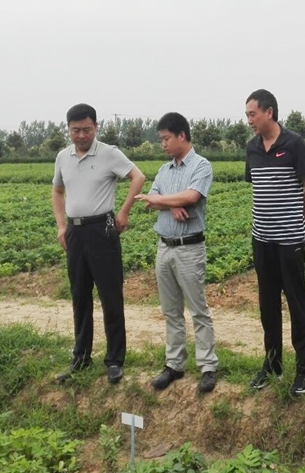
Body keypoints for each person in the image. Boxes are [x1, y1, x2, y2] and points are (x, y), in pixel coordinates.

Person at [52, 103, 146, 384]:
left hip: (102, 229)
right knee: (80, 296)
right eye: (75, 130)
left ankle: (114, 360)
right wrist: (61, 225)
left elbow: (138, 177)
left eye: (86, 130)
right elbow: (57, 191)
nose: (81, 135)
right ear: (68, 129)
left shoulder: (109, 153)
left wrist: (124, 212)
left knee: (110, 296)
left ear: (96, 127)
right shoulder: (63, 157)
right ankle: (81, 357)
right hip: (75, 232)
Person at [135, 112, 218, 393]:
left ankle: (207, 366)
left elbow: (192, 196)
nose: (163, 144)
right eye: (161, 139)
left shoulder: (201, 165)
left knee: (198, 310)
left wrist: (164, 200)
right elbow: (150, 200)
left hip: (189, 248)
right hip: (164, 247)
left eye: (166, 138)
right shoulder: (164, 170)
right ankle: (174, 365)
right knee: (171, 311)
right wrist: (171, 205)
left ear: (182, 135)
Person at [244, 89, 305, 396]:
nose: (249, 120)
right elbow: (258, 187)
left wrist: (298, 221)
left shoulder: (294, 144)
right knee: (268, 304)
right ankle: (273, 363)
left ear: (269, 112)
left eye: (252, 114)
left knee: (296, 304)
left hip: (290, 241)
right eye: (247, 115)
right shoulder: (252, 148)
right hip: (261, 239)